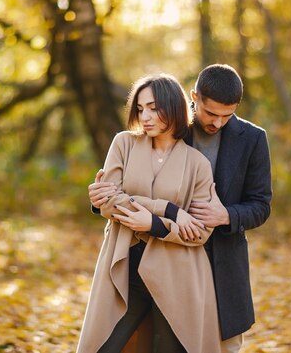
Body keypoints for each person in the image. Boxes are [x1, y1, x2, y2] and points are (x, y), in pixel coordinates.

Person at [89, 64, 273, 353]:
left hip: (218, 260)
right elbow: (127, 188)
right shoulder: (169, 123)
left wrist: (226, 215)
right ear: (193, 97)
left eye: (228, 115)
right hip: (151, 254)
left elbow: (261, 204)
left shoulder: (252, 138)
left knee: (211, 346)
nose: (218, 123)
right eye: (211, 113)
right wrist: (110, 200)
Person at [77, 74, 222, 353]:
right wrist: (168, 210)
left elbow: (200, 232)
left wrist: (156, 225)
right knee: (101, 347)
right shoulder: (124, 144)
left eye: (154, 108)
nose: (146, 116)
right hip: (124, 270)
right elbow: (107, 201)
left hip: (177, 277)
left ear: (175, 107)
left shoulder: (198, 164)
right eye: (141, 108)